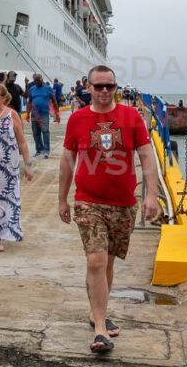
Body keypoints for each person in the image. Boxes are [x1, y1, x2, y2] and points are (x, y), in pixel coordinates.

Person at [58, 65, 160, 354]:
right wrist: (61, 198)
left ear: (116, 87)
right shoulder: (77, 120)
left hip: (124, 202)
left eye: (109, 86)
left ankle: (96, 311)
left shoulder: (131, 117)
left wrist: (151, 195)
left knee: (108, 263)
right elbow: (67, 161)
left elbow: (146, 156)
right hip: (88, 200)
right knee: (96, 261)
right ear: (87, 88)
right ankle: (101, 329)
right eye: (98, 86)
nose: (104, 91)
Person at [0, 82, 34, 252]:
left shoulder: (12, 114)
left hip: (7, 166)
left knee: (3, 198)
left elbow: (22, 141)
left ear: (3, 97)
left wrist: (28, 165)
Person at [25, 74, 56, 158]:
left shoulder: (48, 88)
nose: (37, 82)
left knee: (45, 132)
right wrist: (27, 114)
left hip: (44, 114)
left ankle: (46, 150)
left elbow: (54, 100)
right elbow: (29, 102)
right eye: (35, 80)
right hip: (34, 114)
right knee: (36, 133)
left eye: (38, 80)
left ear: (42, 79)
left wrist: (57, 112)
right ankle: (39, 150)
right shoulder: (32, 89)